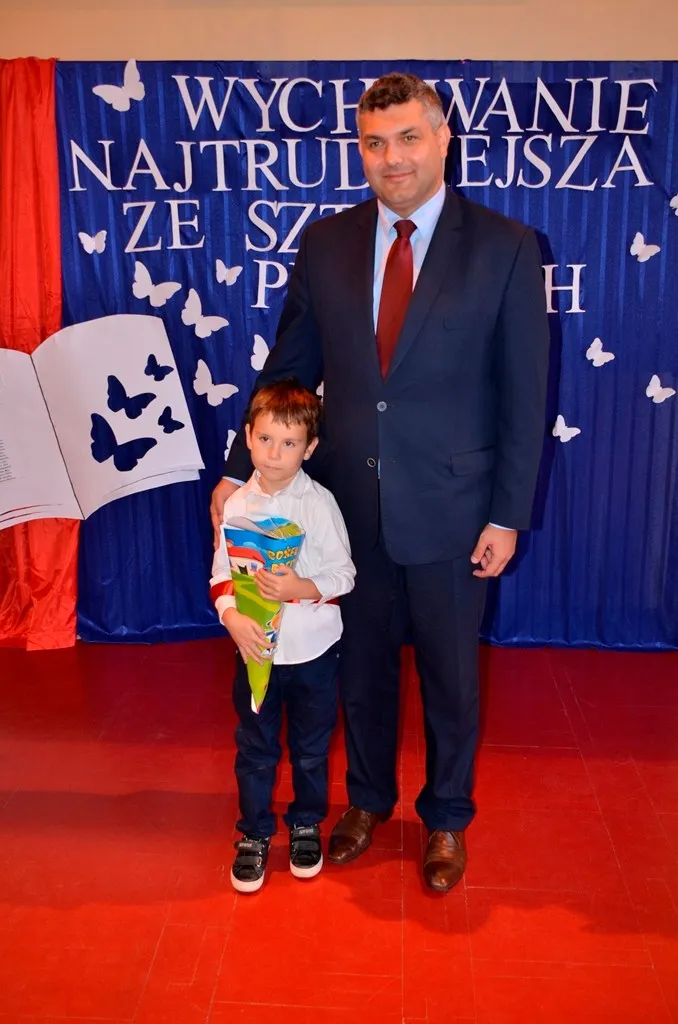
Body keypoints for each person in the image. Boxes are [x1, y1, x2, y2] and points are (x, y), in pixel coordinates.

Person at [212, 72, 549, 892]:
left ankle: (446, 818)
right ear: (359, 151)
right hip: (347, 511)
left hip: (455, 510)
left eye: (407, 138)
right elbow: (289, 367)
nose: (391, 158)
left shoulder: (506, 247)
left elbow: (524, 394)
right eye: (373, 142)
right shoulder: (326, 243)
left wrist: (507, 514)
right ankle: (366, 802)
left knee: (450, 679)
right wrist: (238, 468)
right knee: (359, 670)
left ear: (442, 139)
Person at [210, 379, 355, 893]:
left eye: (289, 443)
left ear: (309, 448)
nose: (275, 454)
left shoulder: (319, 504)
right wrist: (230, 617)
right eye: (266, 439)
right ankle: (253, 832)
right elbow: (221, 573)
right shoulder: (235, 505)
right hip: (254, 652)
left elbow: (344, 575)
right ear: (248, 437)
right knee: (255, 748)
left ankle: (306, 823)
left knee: (311, 749)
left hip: (312, 652)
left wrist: (300, 587)